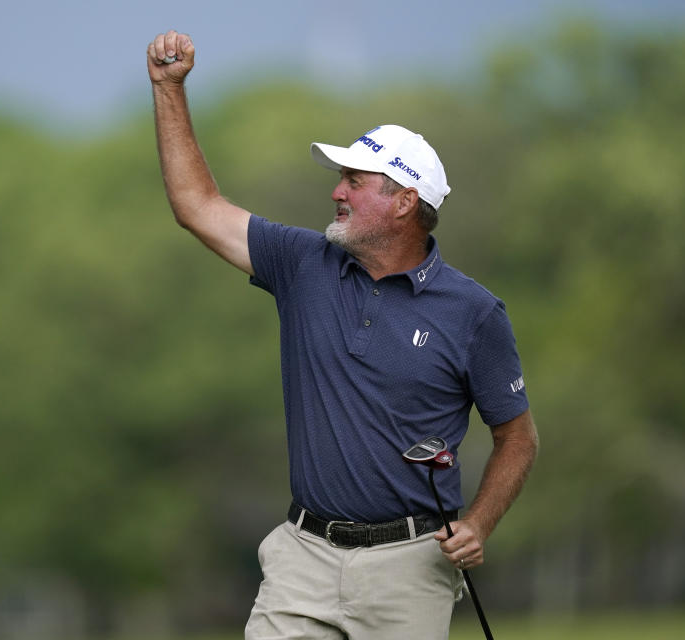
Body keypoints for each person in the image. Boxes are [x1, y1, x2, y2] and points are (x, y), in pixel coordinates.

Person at [147, 30, 539, 640]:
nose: (336, 191)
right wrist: (169, 89)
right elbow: (196, 204)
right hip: (302, 557)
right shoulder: (302, 262)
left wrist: (479, 524)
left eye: (355, 181)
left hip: (411, 568)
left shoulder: (474, 312)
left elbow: (517, 437)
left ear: (405, 201)